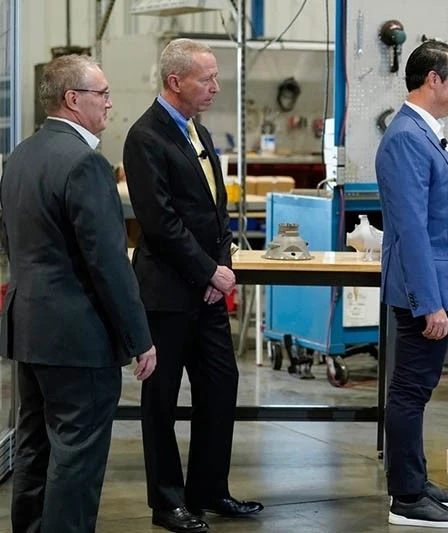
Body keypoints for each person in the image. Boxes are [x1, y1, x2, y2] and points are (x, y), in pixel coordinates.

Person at [0, 54, 157, 533]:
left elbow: (12, 241)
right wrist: (139, 338)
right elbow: (108, 263)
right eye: (102, 94)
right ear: (73, 99)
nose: (109, 103)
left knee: (34, 445)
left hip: (29, 328)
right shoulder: (86, 163)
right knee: (77, 455)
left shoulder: (21, 155)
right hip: (78, 338)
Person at [123, 38, 262, 533]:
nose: (216, 87)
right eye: (207, 78)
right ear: (175, 81)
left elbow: (216, 213)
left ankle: (209, 490)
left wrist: (218, 268)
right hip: (166, 294)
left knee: (220, 386)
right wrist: (208, 272)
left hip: (206, 292)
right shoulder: (145, 138)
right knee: (160, 401)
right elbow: (159, 223)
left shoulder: (196, 131)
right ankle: (167, 502)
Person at [375, 40, 448, 529]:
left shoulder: (425, 134)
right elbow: (412, 228)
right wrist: (428, 302)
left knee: (416, 390)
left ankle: (415, 481)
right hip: (426, 292)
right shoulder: (406, 139)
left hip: (440, 285)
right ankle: (406, 497)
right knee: (409, 391)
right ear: (432, 80)